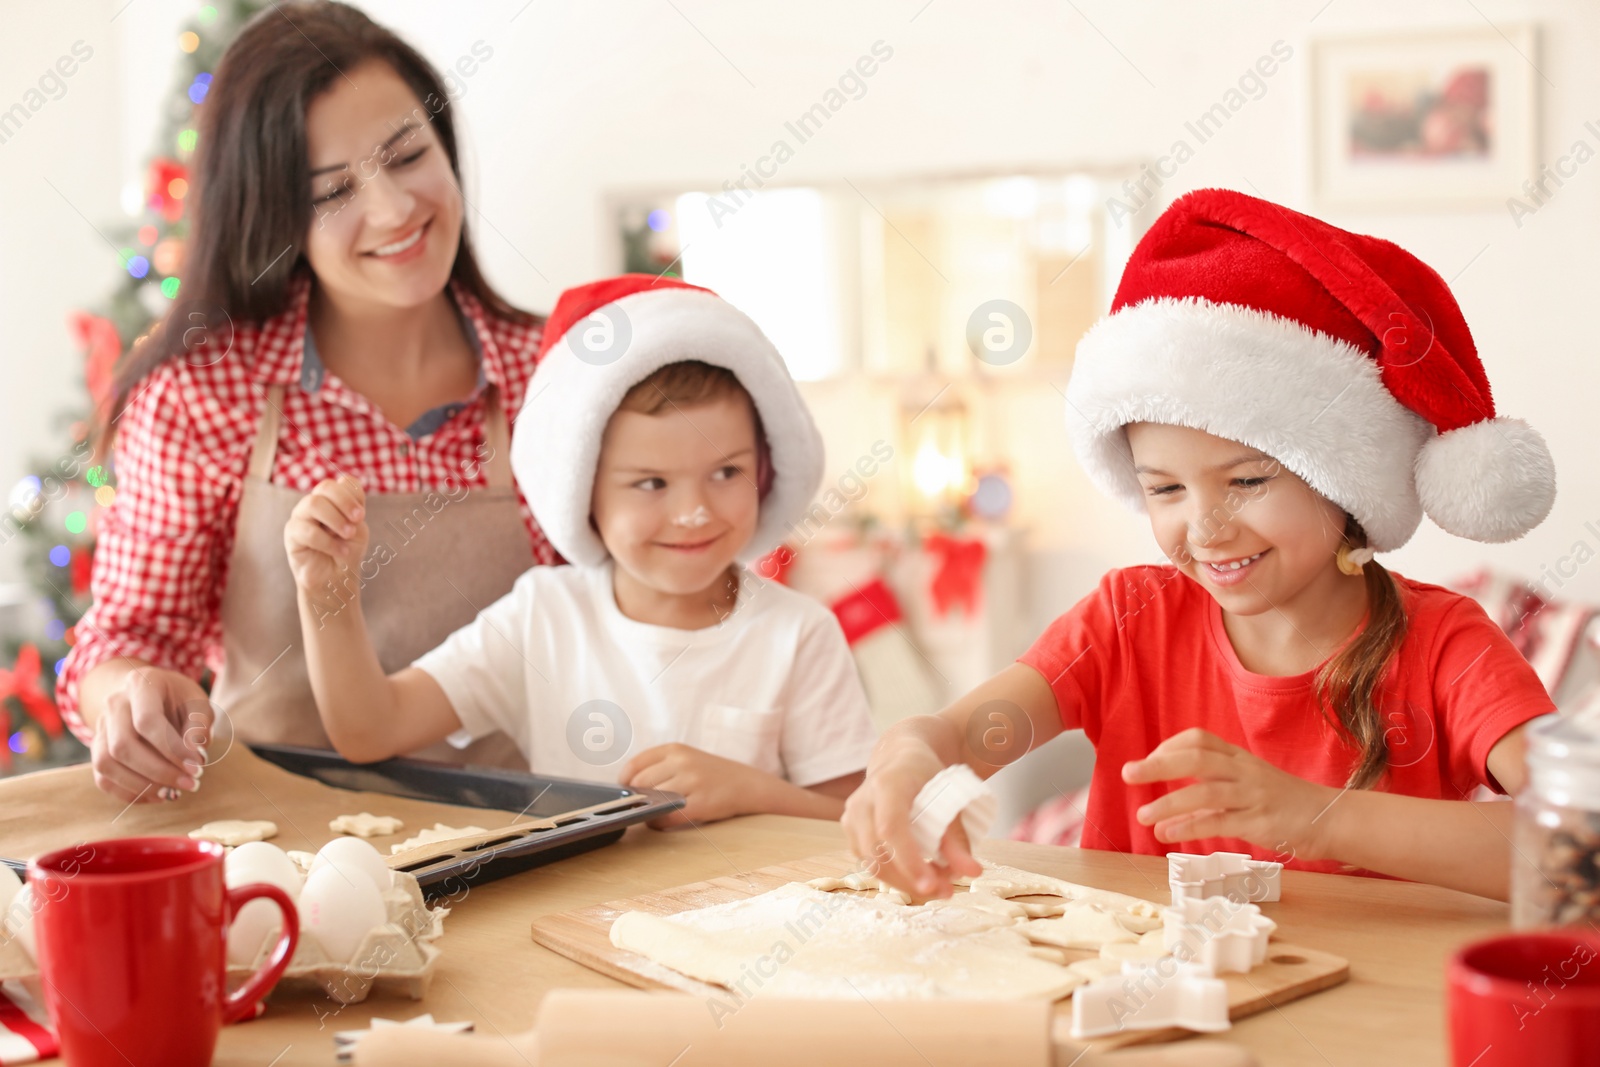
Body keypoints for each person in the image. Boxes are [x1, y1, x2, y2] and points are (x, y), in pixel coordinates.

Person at [843, 187, 1559, 901]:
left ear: (1343, 481)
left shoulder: (1444, 647)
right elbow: (961, 736)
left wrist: (1318, 819)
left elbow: (1576, 841)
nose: (1207, 528)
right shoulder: (1128, 619)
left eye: (1247, 480)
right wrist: (911, 755)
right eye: (1165, 490)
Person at [65, 1, 557, 805]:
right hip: (272, 857)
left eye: (407, 155)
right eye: (332, 192)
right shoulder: (202, 397)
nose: (395, 211)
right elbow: (126, 642)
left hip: (530, 845)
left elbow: (639, 617)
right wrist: (132, 699)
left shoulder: (555, 374)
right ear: (276, 217)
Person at [286, 275, 878, 826]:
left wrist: (752, 792)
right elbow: (370, 729)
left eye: (726, 472)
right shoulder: (544, 616)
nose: (694, 512)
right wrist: (328, 593)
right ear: (583, 492)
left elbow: (860, 821)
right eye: (651, 483)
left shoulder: (800, 635)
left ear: (765, 467)